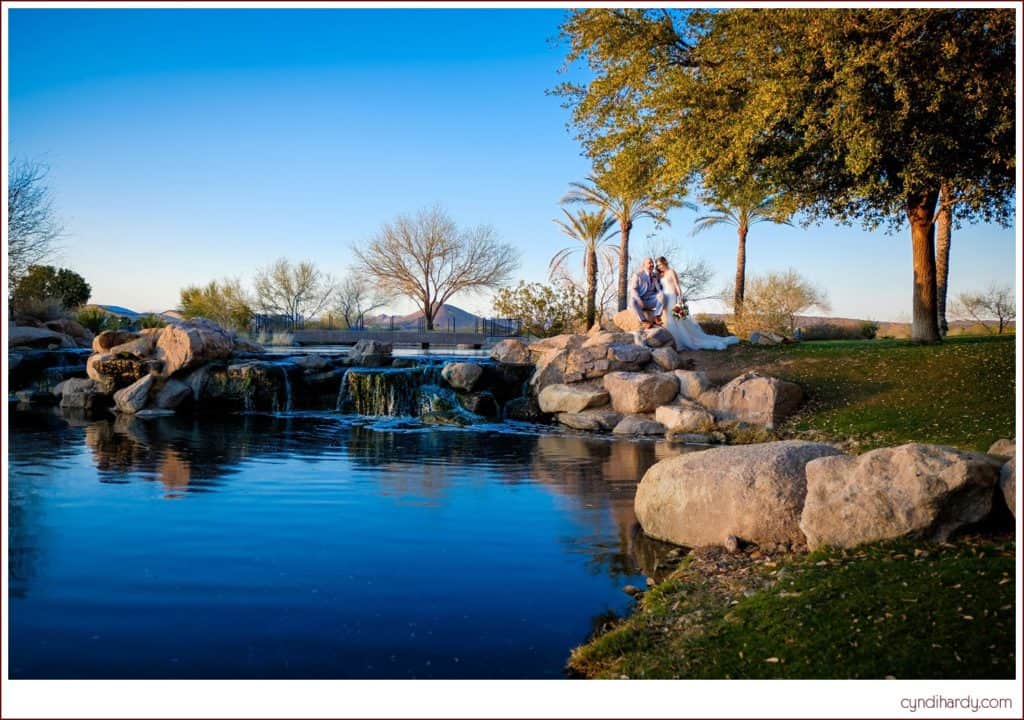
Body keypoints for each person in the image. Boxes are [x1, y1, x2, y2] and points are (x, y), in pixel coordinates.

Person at [656, 256, 740, 351]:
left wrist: (680, 298)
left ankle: (680, 343)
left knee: (677, 320)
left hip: (673, 298)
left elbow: (677, 285)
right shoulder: (660, 275)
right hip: (666, 299)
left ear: (665, 262)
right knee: (669, 320)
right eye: (658, 265)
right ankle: (674, 342)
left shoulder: (671, 272)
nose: (659, 267)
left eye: (660, 264)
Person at [628, 257, 663, 329]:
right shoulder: (638, 275)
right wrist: (638, 299)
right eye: (649, 263)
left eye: (652, 263)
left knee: (662, 295)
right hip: (641, 300)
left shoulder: (656, 275)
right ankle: (644, 321)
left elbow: (660, 289)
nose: (652, 264)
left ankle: (656, 317)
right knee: (632, 301)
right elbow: (633, 289)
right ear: (644, 265)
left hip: (652, 300)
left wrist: (656, 281)